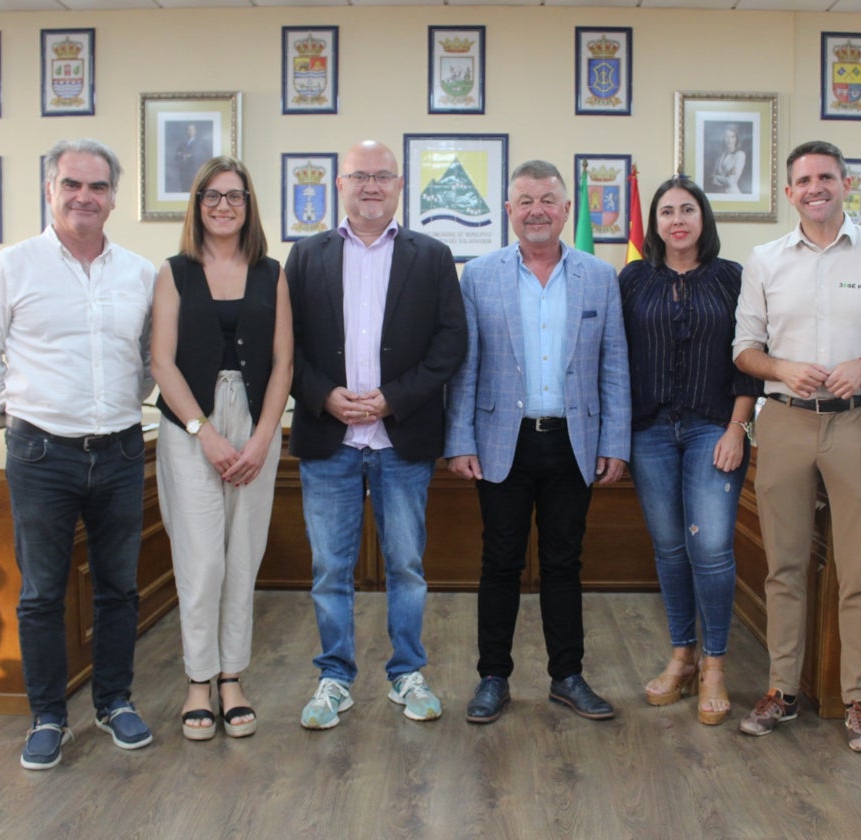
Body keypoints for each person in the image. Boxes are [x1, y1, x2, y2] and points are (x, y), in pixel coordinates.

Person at [0, 138, 157, 769]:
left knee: (118, 589)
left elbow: (150, 363)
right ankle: (48, 717)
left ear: (113, 198)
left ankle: (114, 702)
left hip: (123, 450)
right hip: (42, 454)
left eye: (97, 187)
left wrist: (113, 412)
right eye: (72, 184)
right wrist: (26, 413)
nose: (84, 197)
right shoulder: (8, 268)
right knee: (42, 592)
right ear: (50, 190)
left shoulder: (140, 273)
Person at [733, 140, 861, 752]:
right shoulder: (764, 260)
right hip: (784, 422)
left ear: (845, 184)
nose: (815, 187)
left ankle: (859, 700)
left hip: (859, 425)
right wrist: (782, 367)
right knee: (784, 565)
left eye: (826, 177)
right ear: (789, 193)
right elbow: (744, 351)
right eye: (804, 179)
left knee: (859, 569)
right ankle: (782, 688)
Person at [287, 140, 467, 730]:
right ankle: (334, 678)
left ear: (399, 185)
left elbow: (449, 345)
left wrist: (395, 398)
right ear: (340, 183)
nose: (371, 185)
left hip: (402, 442)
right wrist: (323, 396)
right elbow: (285, 350)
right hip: (328, 442)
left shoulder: (433, 256)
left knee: (407, 567)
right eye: (360, 175)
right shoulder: (307, 256)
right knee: (330, 570)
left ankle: (406, 673)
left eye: (382, 176)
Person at [446, 159, 630, 724]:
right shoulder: (478, 275)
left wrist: (616, 442)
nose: (537, 211)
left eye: (547, 200)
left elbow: (614, 364)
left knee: (563, 563)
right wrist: (458, 439)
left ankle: (566, 676)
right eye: (525, 201)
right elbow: (466, 365)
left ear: (565, 209)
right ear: (509, 211)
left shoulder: (599, 276)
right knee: (499, 561)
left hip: (574, 442)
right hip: (502, 440)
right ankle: (492, 678)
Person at [151, 157, 292, 741]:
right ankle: (196, 680)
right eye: (212, 196)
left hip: (256, 422)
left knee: (242, 558)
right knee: (202, 560)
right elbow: (161, 360)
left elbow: (284, 361)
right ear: (197, 204)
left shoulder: (271, 271)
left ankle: (232, 678)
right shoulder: (173, 272)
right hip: (191, 423)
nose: (223, 206)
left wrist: (263, 437)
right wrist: (204, 433)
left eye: (234, 196)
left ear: (249, 204)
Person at [618, 176, 761, 725]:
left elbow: (751, 355)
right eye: (666, 212)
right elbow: (616, 357)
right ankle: (682, 655)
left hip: (714, 429)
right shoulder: (632, 279)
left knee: (714, 548)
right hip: (649, 431)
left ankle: (716, 664)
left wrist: (736, 428)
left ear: (704, 219)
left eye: (687, 209)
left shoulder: (732, 279)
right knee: (671, 547)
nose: (677, 220)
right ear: (654, 225)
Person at [709, 125, 747, 195]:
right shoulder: (720, 156)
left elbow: (730, 182)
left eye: (732, 137)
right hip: (719, 194)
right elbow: (711, 178)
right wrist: (726, 174)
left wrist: (716, 178)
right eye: (727, 137)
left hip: (733, 195)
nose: (729, 140)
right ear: (723, 138)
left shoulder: (740, 155)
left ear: (737, 139)